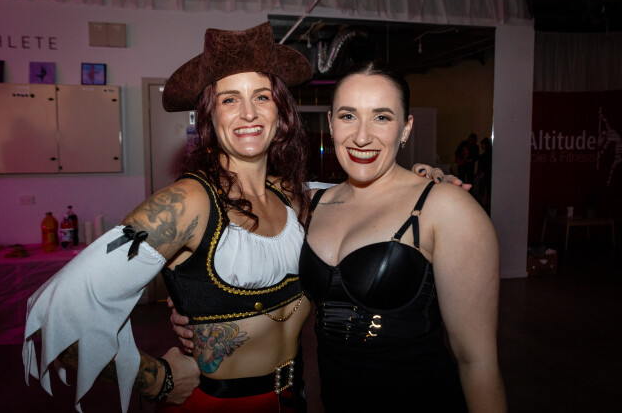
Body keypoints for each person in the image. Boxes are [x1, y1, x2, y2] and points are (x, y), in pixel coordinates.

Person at [171, 61, 505, 412]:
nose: (361, 136)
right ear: (331, 124)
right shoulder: (308, 204)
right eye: (348, 116)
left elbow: (477, 362)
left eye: (382, 117)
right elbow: (231, 228)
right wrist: (192, 303)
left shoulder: (445, 207)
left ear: (406, 128)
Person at [23, 22, 315, 413]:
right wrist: (158, 380)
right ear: (209, 117)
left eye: (261, 96)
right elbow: (55, 318)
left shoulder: (292, 195)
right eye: (229, 99)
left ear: (281, 112)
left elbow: (360, 203)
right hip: (213, 405)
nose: (248, 112)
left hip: (291, 398)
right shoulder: (188, 203)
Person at [478, 136, 492, 211]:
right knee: (487, 187)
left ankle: (485, 201)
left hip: (487, 173)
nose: (481, 147)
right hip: (488, 172)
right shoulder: (489, 153)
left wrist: (483, 171)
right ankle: (486, 201)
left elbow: (485, 164)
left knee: (486, 187)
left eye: (482, 145)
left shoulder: (487, 154)